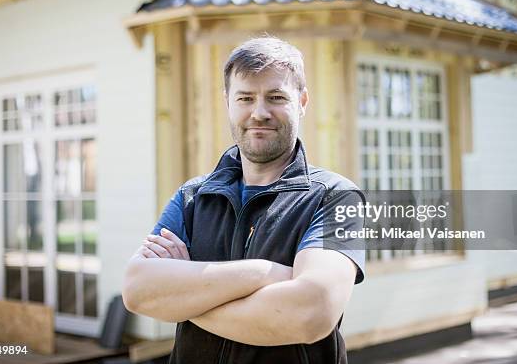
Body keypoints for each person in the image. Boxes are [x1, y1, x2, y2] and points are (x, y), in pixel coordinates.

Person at [122, 37, 365, 364]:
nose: (259, 112)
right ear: (228, 103)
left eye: (276, 97)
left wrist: (185, 296)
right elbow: (137, 290)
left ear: (302, 101)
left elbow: (311, 312)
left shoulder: (335, 197)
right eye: (245, 98)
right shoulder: (192, 197)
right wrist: (263, 273)